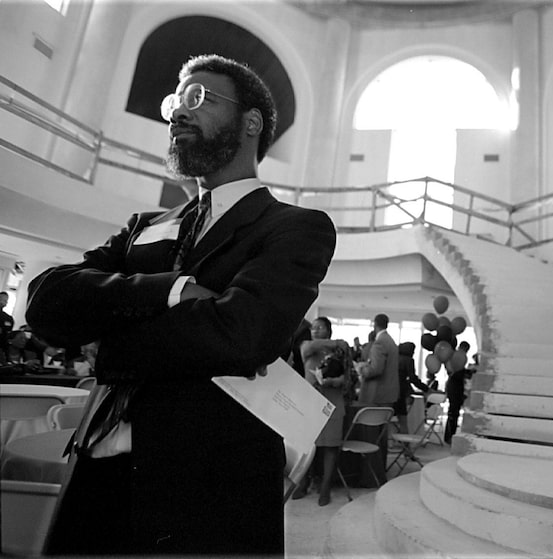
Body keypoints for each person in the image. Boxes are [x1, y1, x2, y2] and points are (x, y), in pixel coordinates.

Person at [25, 54, 336, 555]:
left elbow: (242, 336)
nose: (176, 115)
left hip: (208, 495)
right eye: (175, 103)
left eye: (197, 99)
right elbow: (44, 301)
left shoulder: (294, 227)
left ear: (251, 122)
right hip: (96, 480)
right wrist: (169, 290)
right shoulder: (144, 227)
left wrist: (107, 345)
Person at [295, 316, 349, 506]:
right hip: (310, 404)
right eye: (314, 328)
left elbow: (346, 378)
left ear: (329, 329)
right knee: (307, 447)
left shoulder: (340, 352)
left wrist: (332, 381)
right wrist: (334, 343)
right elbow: (306, 349)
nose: (316, 330)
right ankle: (303, 483)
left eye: (321, 328)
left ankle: (325, 487)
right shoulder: (308, 347)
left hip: (333, 403)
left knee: (330, 447)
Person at [356, 313, 399, 481]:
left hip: (377, 395)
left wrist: (361, 369)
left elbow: (375, 370)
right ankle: (380, 471)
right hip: (388, 395)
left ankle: (371, 475)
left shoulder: (379, 343)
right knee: (382, 437)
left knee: (373, 436)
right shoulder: (391, 342)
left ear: (375, 325)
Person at [444, 341, 470, 444]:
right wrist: (467, 373)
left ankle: (449, 435)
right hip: (455, 388)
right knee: (454, 413)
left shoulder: (453, 357)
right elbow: (458, 374)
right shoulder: (459, 358)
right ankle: (450, 436)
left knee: (452, 413)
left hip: (452, 387)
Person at [393, 341, 417, 433]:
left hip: (390, 390)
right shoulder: (409, 360)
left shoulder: (395, 357)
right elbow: (413, 378)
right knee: (403, 419)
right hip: (401, 392)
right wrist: (425, 388)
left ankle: (390, 440)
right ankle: (405, 444)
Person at [0, 291, 13, 364]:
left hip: (2, 348)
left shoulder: (8, 318)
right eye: (2, 299)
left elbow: (7, 336)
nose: (4, 302)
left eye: (6, 300)